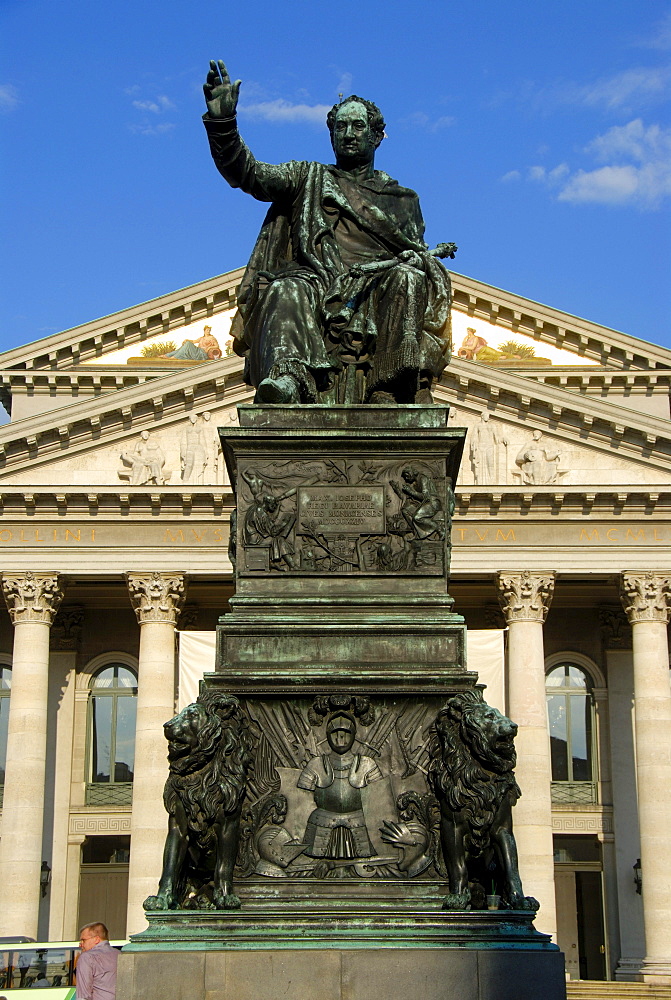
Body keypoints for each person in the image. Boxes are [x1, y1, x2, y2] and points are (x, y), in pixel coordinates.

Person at [202, 60, 453, 405]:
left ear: (377, 137)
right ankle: (290, 379)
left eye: (358, 126)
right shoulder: (306, 177)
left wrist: (418, 261)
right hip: (318, 278)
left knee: (409, 278)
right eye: (341, 126)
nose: (349, 133)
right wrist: (223, 124)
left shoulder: (403, 200)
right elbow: (248, 173)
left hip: (378, 285)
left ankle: (390, 387)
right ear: (331, 134)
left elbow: (420, 257)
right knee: (286, 287)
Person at [76, 923, 118, 1000]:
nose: (80, 944)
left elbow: (84, 994)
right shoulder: (119, 954)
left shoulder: (87, 957)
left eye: (83, 940)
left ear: (96, 939)